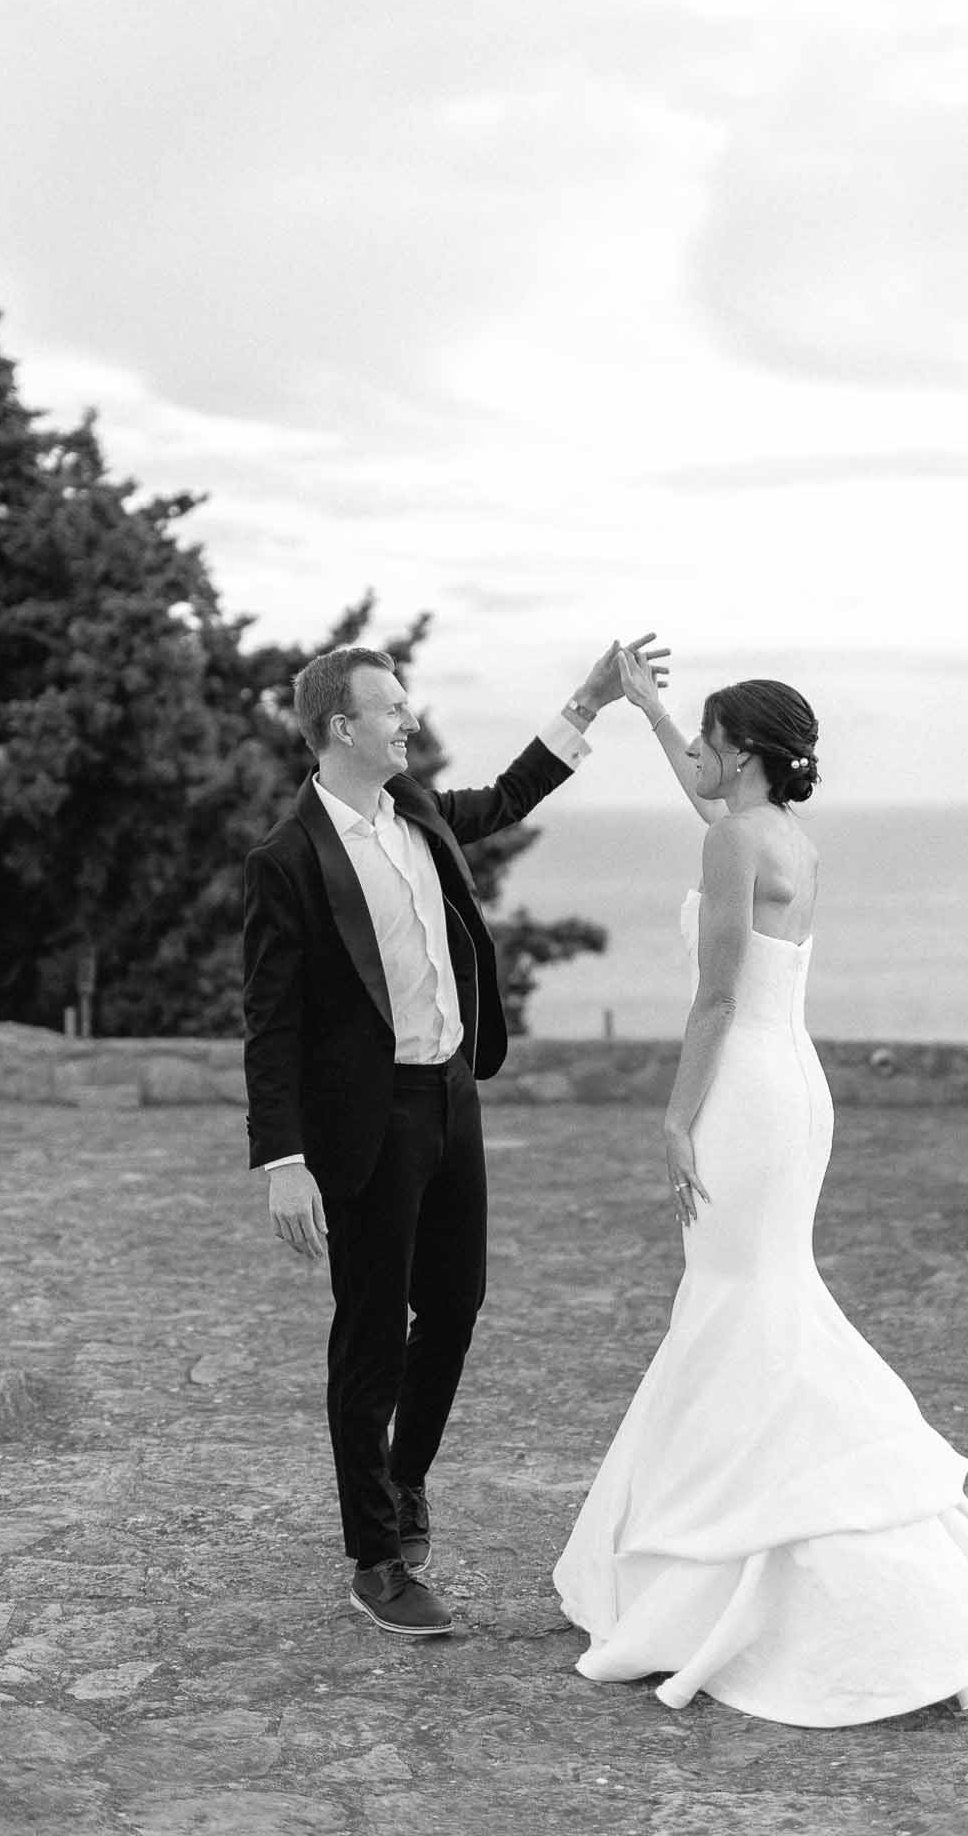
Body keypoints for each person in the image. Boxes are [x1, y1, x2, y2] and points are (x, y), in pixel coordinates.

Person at [553, 659, 968, 1723]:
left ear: (743, 755)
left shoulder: (732, 841)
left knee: (744, 1303)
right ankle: (735, 1539)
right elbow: (713, 810)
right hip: (792, 1086)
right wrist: (650, 709)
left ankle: (786, 1559)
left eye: (708, 739)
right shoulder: (784, 838)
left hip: (742, 1091)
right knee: (755, 1297)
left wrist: (674, 1117)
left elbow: (715, 999)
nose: (697, 756)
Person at [243, 636, 668, 1639]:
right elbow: (271, 1022)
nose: (410, 721)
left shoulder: (417, 812)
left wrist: (589, 699)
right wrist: (284, 1160)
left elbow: (508, 796)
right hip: (364, 1122)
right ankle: (376, 1560)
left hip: (449, 1096)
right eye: (392, 708)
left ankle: (402, 1480)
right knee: (368, 1335)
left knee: (455, 1305)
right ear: (342, 726)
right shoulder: (288, 858)